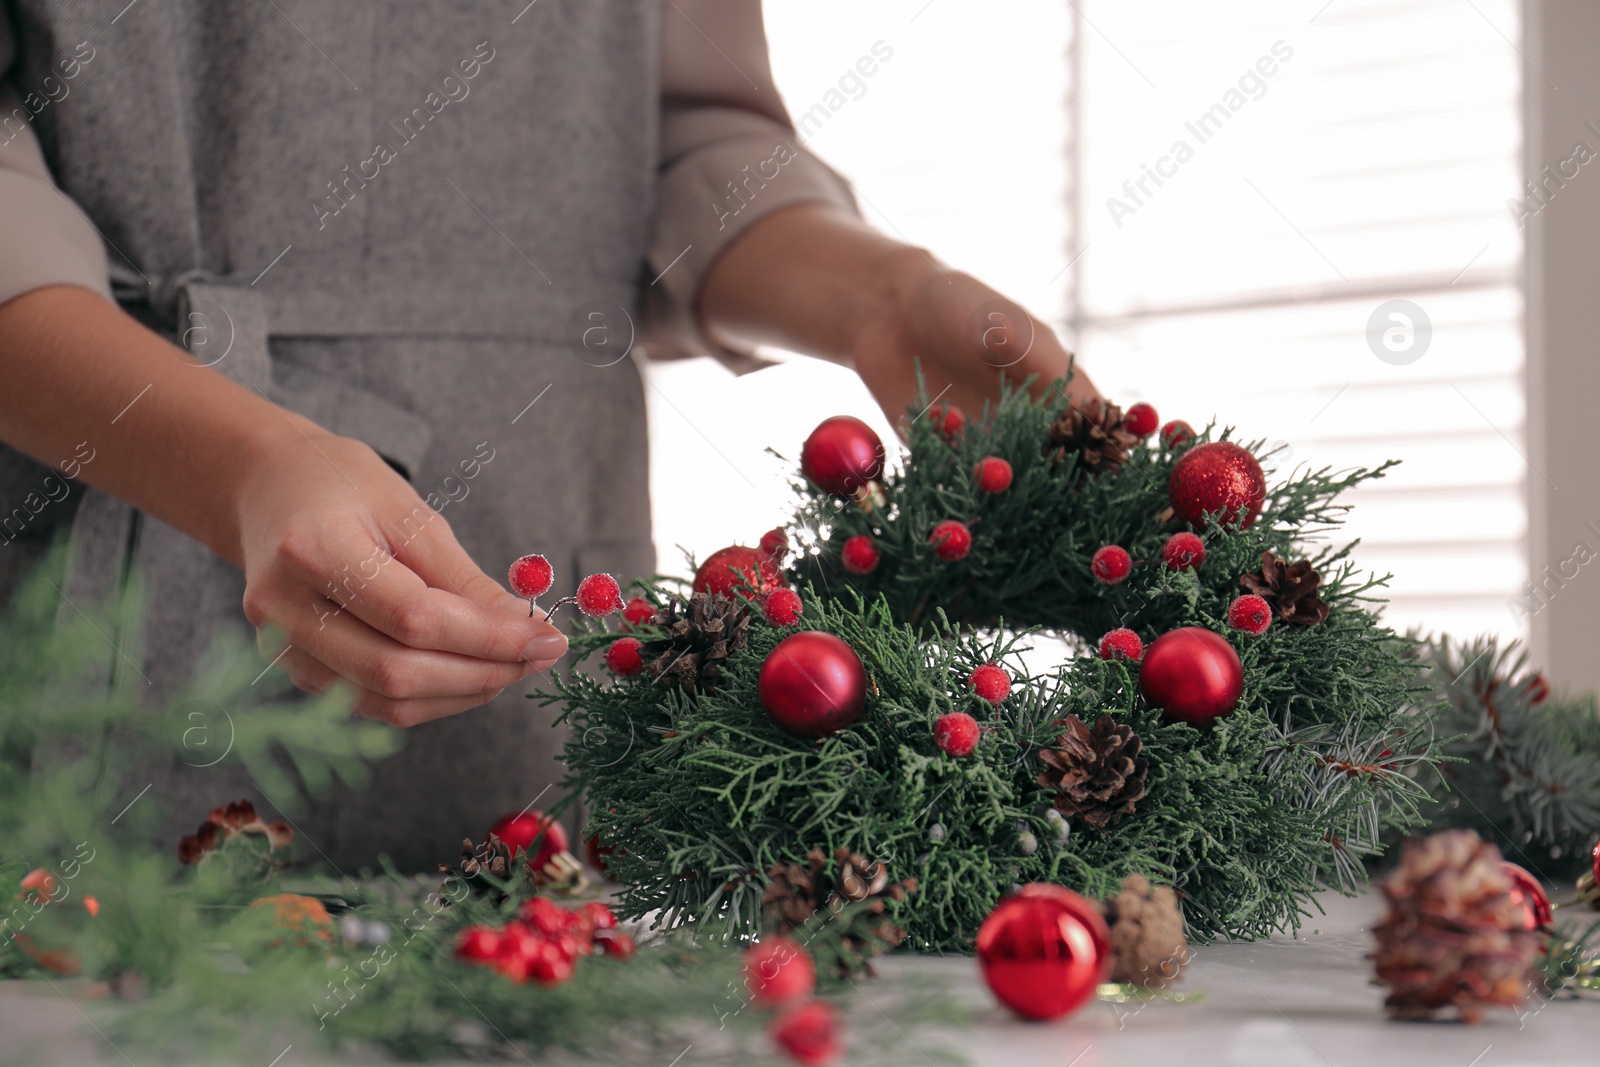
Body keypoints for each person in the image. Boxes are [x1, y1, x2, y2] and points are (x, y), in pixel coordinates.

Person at [0, 2, 1095, 870]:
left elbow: (690, 135)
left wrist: (880, 301)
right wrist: (241, 464)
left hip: (541, 591)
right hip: (103, 579)